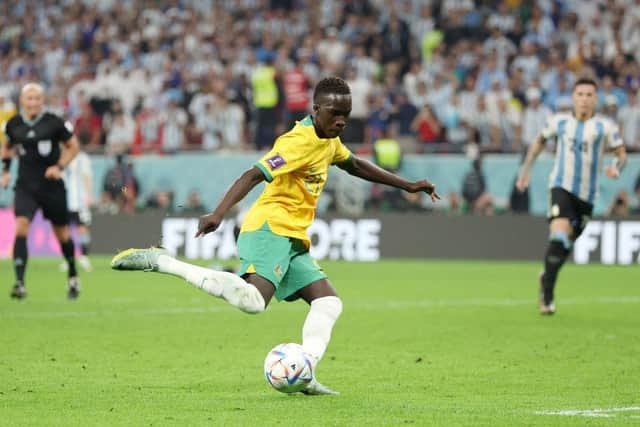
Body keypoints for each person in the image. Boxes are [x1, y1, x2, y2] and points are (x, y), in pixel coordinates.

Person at [111, 77, 440, 394]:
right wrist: (218, 213)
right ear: (316, 109)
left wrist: (408, 184)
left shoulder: (328, 140)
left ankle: (305, 373)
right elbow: (253, 174)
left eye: (346, 115)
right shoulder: (298, 142)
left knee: (328, 302)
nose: (341, 122)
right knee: (254, 303)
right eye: (334, 114)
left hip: (293, 237)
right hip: (268, 228)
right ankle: (165, 262)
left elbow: (354, 165)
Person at [516, 77, 627, 315]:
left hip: (587, 196)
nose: (584, 99)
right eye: (580, 94)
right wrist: (525, 170)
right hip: (561, 186)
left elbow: (621, 154)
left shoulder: (605, 126)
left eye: (589, 95)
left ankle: (546, 276)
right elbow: (538, 142)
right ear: (573, 97)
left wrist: (616, 167)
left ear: (595, 99)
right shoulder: (560, 121)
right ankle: (547, 296)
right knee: (558, 236)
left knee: (565, 245)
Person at [1, 83, 81, 299]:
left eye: (37, 98)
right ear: (22, 101)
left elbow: (73, 146)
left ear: (42, 100)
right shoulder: (14, 124)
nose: (33, 102)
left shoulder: (54, 122)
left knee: (62, 234)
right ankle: (19, 282)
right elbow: (7, 147)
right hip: (26, 185)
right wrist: (6, 171)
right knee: (20, 227)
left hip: (51, 187)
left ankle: (73, 275)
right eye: (29, 98)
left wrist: (59, 167)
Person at [61, 147, 94, 272]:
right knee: (65, 230)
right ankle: (68, 258)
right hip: (65, 200)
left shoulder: (83, 158)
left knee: (82, 228)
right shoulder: (61, 156)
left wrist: (89, 195)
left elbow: (87, 177)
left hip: (80, 201)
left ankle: (84, 257)